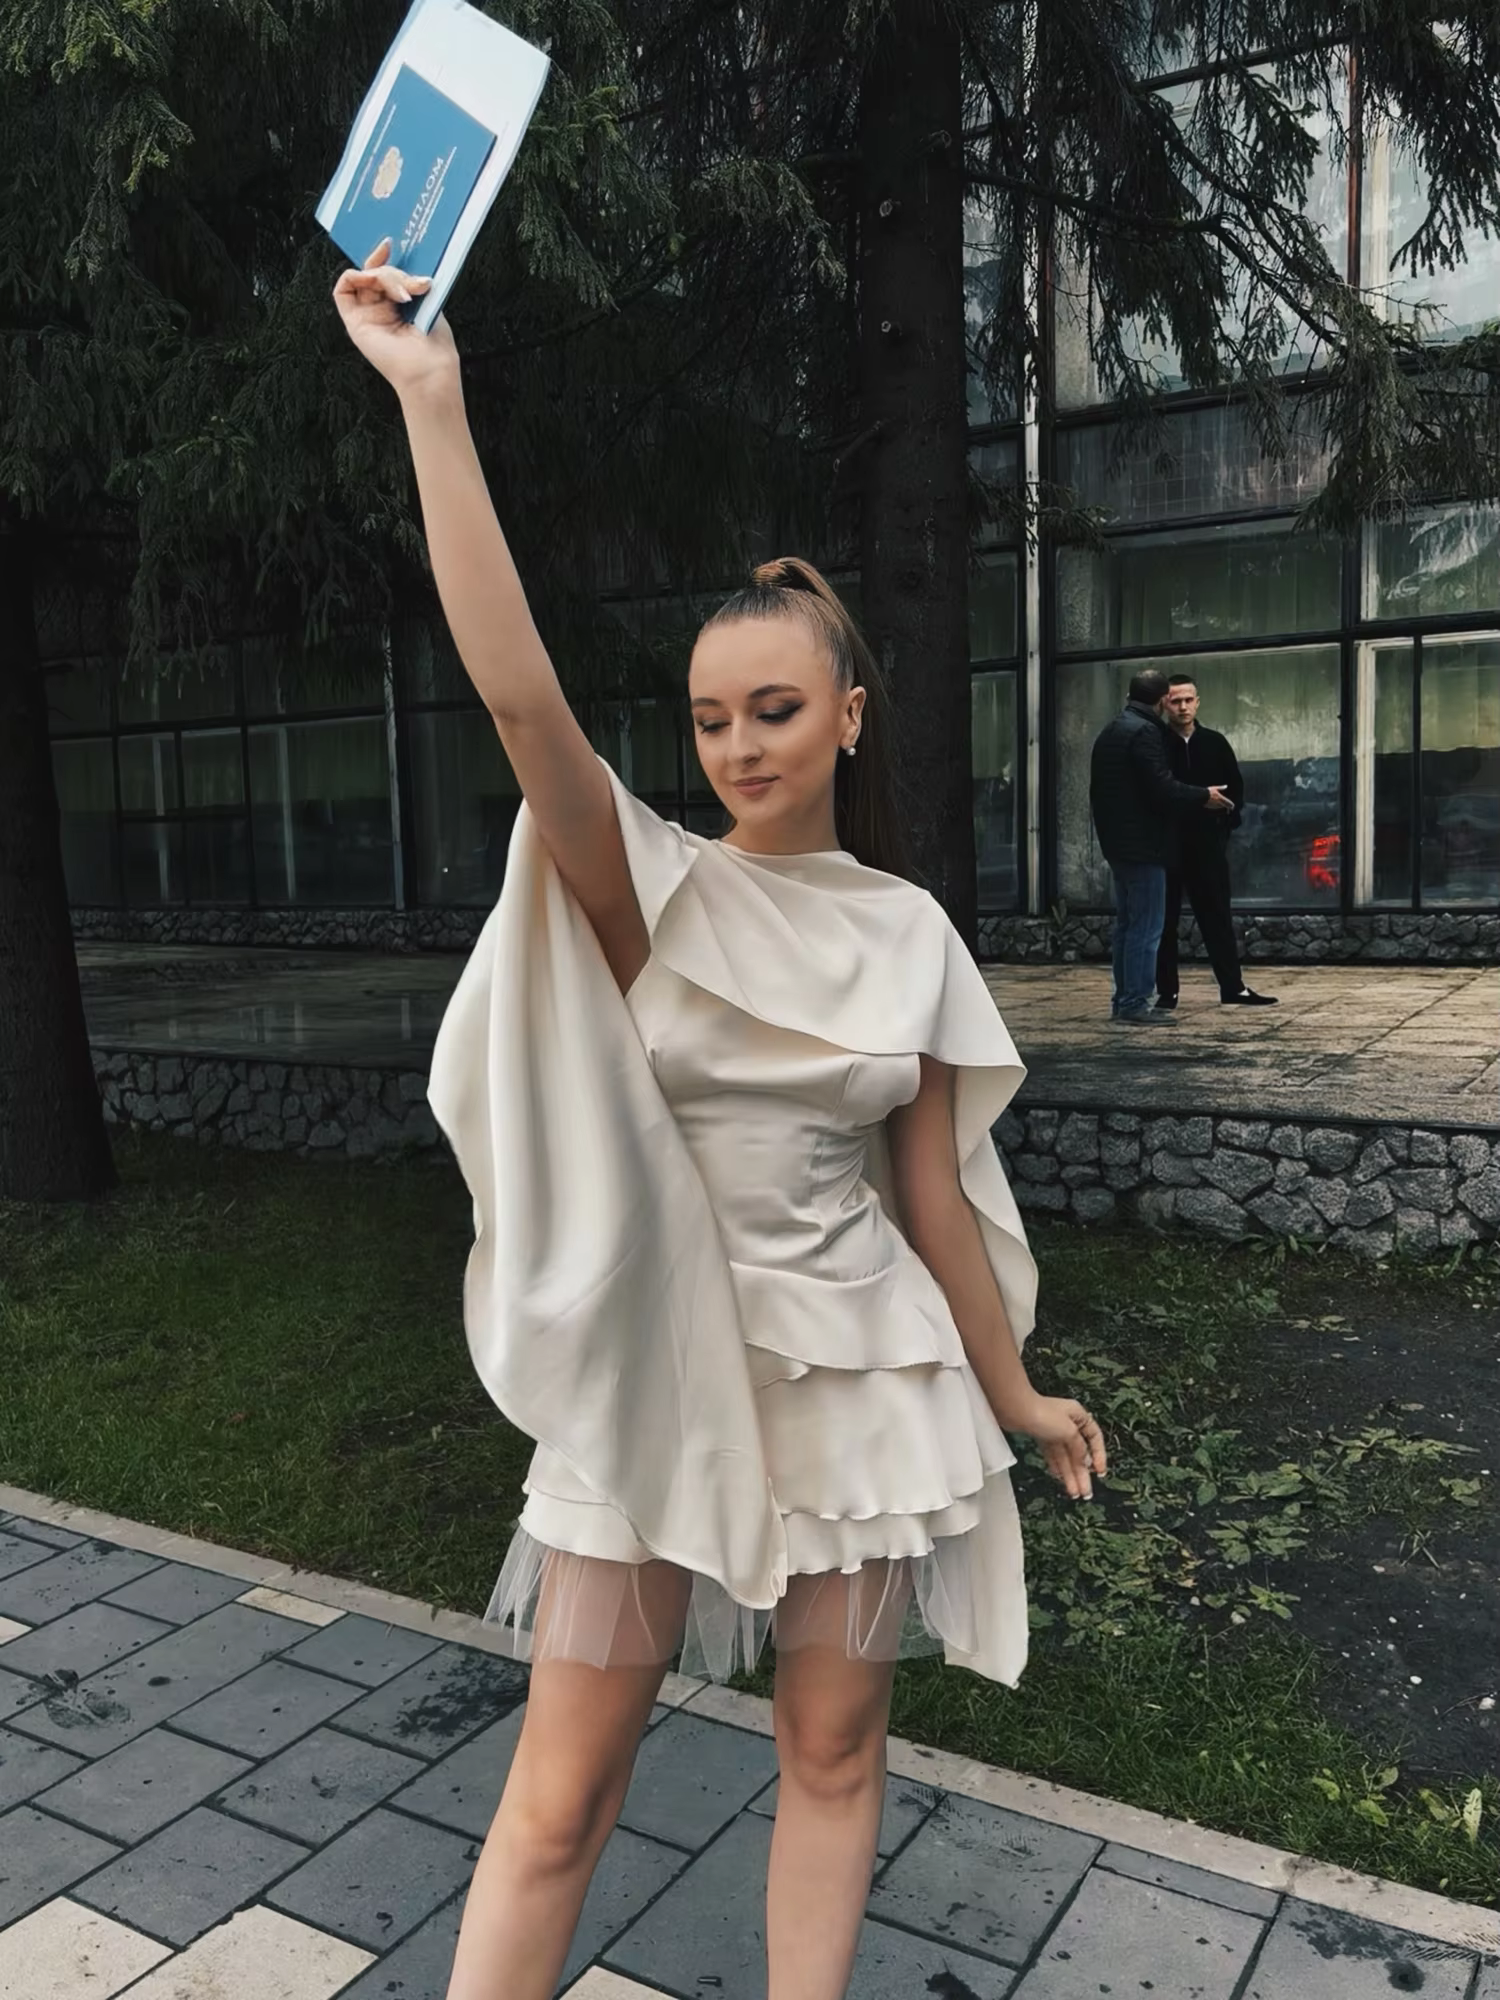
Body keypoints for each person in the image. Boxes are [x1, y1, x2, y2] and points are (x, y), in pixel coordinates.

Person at [334, 241, 1107, 2000]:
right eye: (708, 720)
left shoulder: (908, 932)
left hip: (863, 1375)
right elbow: (519, 695)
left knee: (834, 1761)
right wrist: (432, 402)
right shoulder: (647, 885)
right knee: (559, 1796)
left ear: (850, 715)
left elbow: (932, 1194)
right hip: (655, 1368)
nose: (740, 747)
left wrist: (1012, 1393)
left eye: (775, 710)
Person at [1088, 668, 1233, 1024]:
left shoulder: (1111, 730)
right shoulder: (1145, 732)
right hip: (1145, 847)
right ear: (1161, 701)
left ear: (1129, 697)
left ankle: (1123, 999)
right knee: (1146, 927)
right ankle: (1134, 1003)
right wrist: (1204, 795)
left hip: (1118, 845)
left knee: (1127, 926)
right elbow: (1162, 787)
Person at [1155, 676, 1277, 1009]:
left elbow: (1235, 790)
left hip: (1208, 845)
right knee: (1164, 921)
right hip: (1168, 846)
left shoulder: (1214, 742)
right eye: (1176, 701)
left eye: (1188, 700)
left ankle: (1233, 988)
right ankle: (1167, 993)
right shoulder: (1156, 745)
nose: (1183, 707)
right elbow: (1155, 793)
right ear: (1165, 704)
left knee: (1217, 917)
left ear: (1198, 702)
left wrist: (1222, 828)